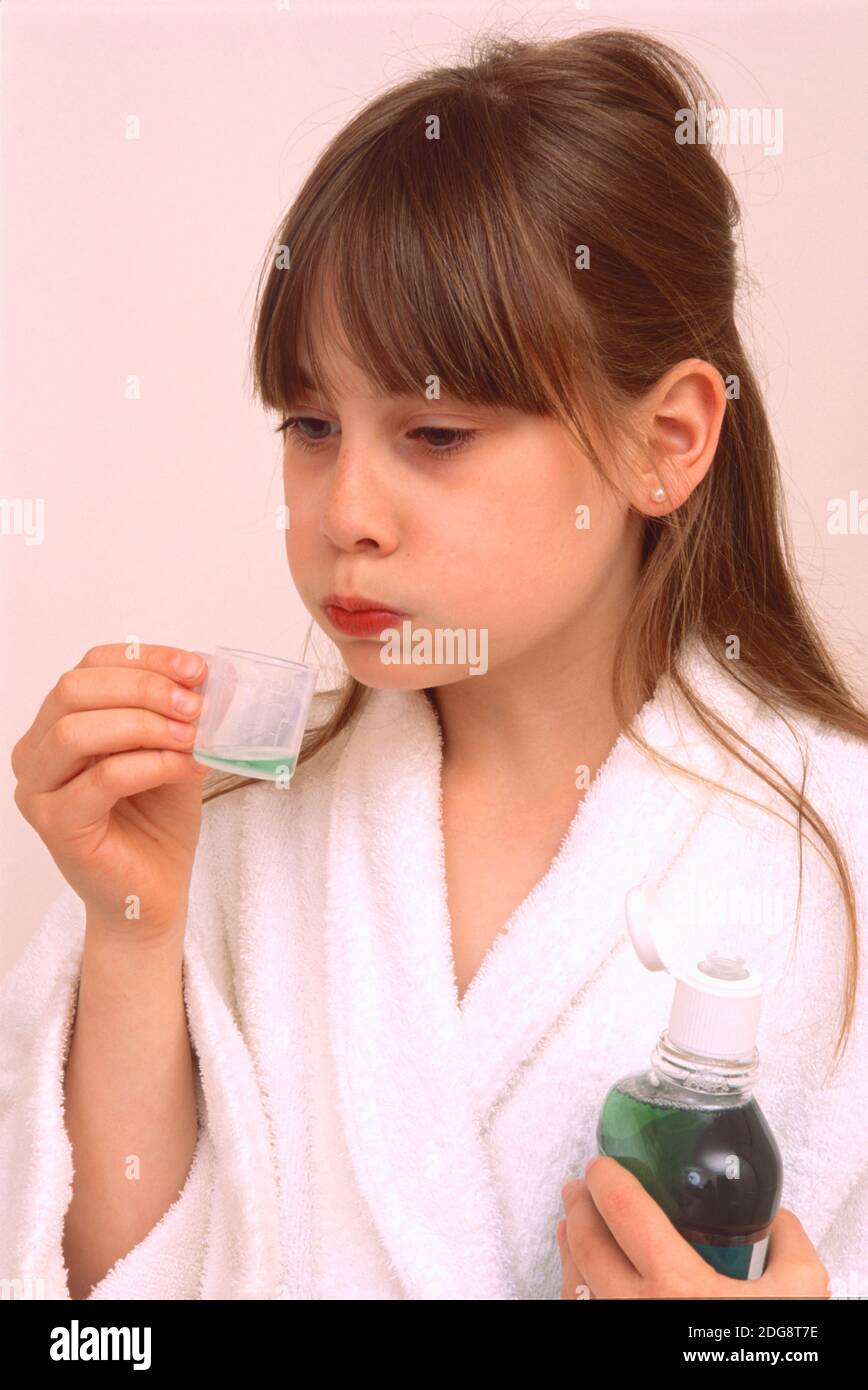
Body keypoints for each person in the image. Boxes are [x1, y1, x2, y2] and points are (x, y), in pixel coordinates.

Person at [4, 26, 867, 1301]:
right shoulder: (233, 830)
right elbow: (96, 1319)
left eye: (437, 432)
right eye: (308, 425)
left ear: (666, 442)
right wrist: (133, 937)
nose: (344, 507)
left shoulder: (836, 858)